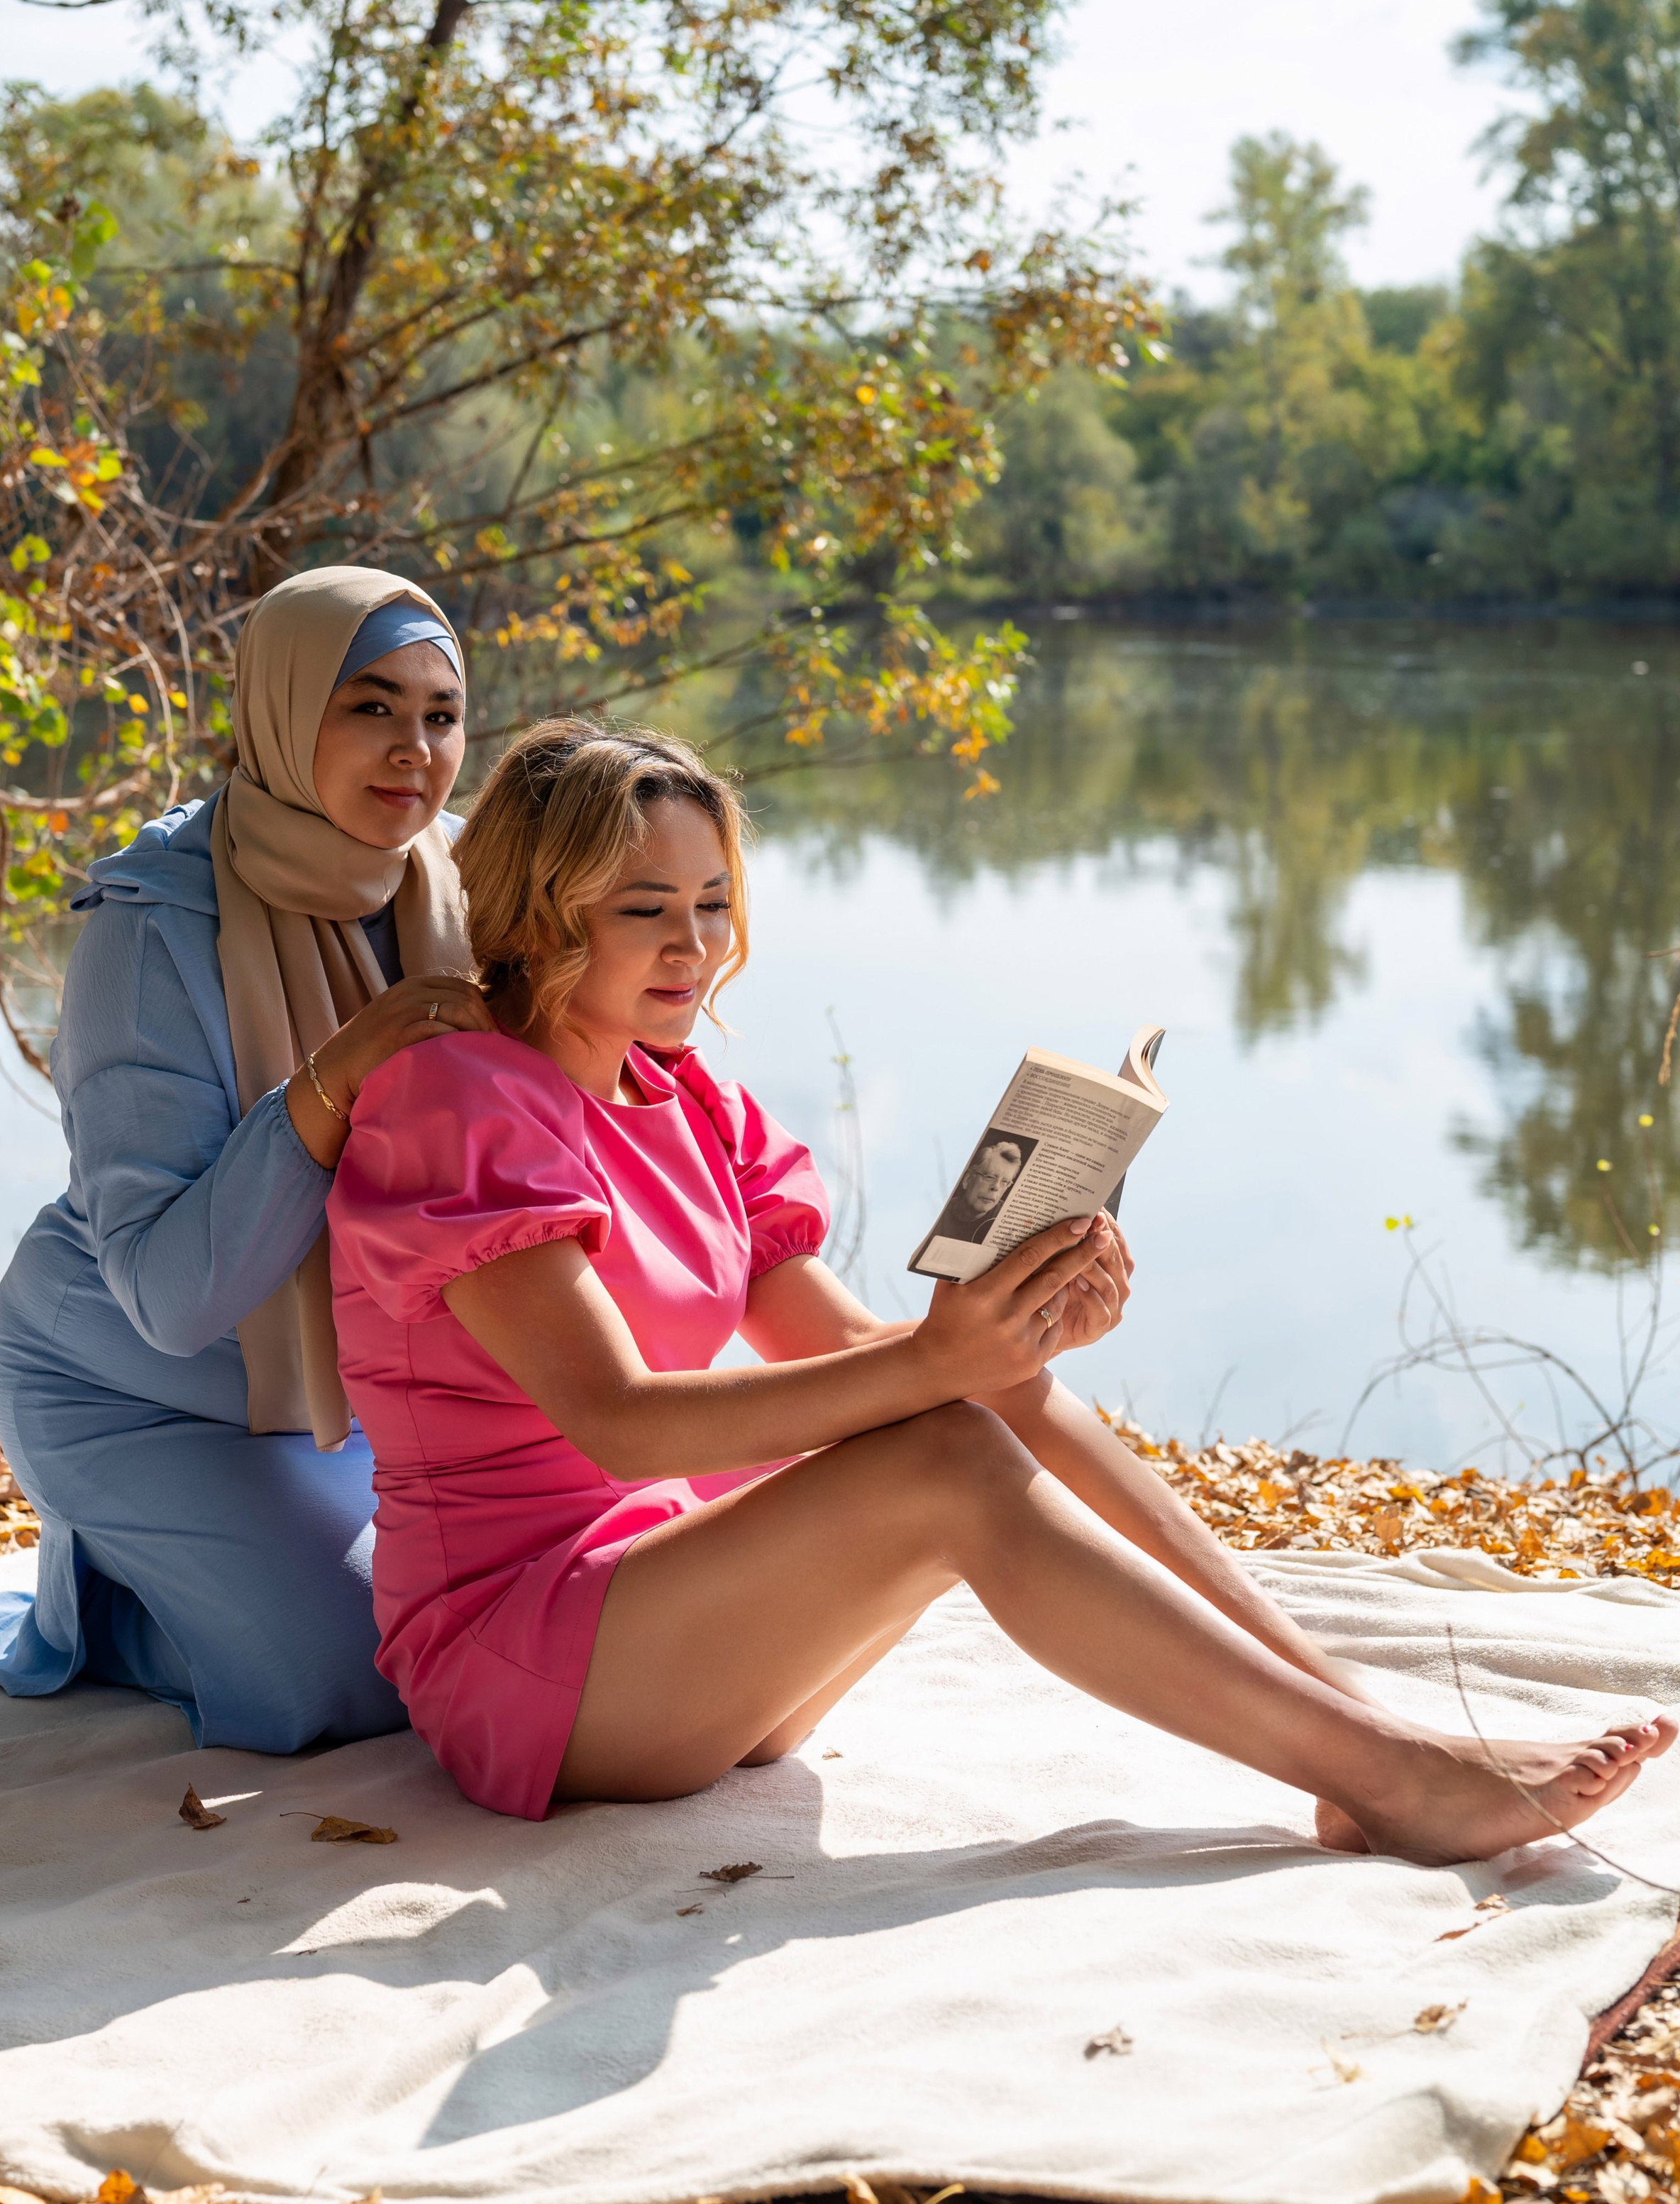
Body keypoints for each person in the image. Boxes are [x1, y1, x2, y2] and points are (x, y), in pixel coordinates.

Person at [326, 717, 1674, 1858]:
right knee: (951, 1447)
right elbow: (617, 1420)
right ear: (542, 910)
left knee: (992, 1395)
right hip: (529, 1665)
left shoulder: (690, 1097)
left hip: (692, 1635)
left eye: (713, 905)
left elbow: (855, 1350)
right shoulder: (462, 1097)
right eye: (646, 911)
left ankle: (1358, 1732)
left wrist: (1020, 1316)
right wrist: (935, 1368)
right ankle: (1392, 1775)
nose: (693, 946)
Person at [0, 566, 488, 1750]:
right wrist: (336, 1077)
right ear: (280, 708)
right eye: (370, 706)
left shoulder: (462, 882)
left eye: (441, 714)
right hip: (127, 1378)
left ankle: (223, 1556)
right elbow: (170, 1294)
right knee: (359, 1682)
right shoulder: (153, 923)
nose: (416, 747)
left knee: (498, 1627)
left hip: (358, 1388)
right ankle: (115, 1604)